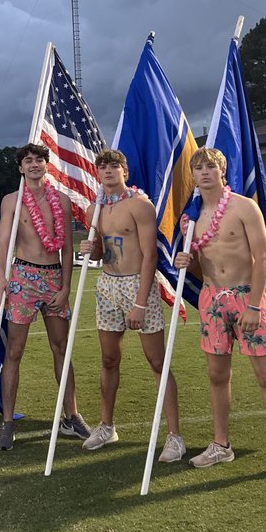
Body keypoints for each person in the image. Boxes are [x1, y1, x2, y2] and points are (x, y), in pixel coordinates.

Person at [174, 148, 266, 484]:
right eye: (198, 168)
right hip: (212, 300)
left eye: (210, 167)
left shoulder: (245, 207)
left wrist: (256, 305)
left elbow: (264, 259)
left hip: (248, 298)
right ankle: (220, 444)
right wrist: (188, 263)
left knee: (264, 375)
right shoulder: (192, 218)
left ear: (222, 170)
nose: (203, 173)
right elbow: (204, 267)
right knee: (216, 375)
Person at [77, 149, 186, 460]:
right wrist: (91, 247)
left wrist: (140, 302)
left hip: (138, 285)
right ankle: (106, 425)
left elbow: (151, 254)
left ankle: (174, 435)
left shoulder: (140, 204)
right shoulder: (93, 209)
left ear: (124, 171)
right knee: (109, 359)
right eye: (103, 167)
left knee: (157, 362)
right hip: (108, 286)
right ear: (97, 173)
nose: (109, 171)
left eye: (114, 166)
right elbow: (101, 254)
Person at [0, 142, 90, 451]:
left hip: (53, 278)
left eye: (39, 160)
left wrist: (65, 287)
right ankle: (7, 423)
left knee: (61, 348)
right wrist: (0, 276)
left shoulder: (60, 200)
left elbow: (66, 248)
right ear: (21, 167)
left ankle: (71, 416)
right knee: (15, 351)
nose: (34, 164)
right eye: (28, 161)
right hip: (23, 276)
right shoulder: (12, 200)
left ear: (46, 165)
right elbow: (5, 239)